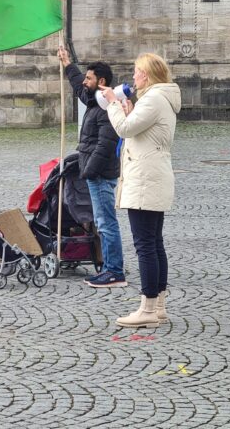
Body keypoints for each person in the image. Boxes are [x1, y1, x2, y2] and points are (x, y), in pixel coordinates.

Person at [102, 53, 181, 328]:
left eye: (136, 72)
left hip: (146, 179)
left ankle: (147, 308)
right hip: (153, 176)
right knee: (154, 242)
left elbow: (124, 130)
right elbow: (139, 129)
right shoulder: (160, 98)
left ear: (145, 75)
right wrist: (128, 111)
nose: (133, 77)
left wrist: (113, 104)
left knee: (145, 245)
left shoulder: (154, 98)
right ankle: (158, 304)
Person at [57, 47, 126, 288]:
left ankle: (114, 270)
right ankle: (109, 268)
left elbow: (106, 145)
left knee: (106, 222)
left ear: (102, 82)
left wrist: (88, 171)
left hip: (100, 175)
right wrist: (67, 64)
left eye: (89, 78)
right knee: (101, 221)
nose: (85, 82)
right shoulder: (93, 99)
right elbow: (79, 86)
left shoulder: (107, 107)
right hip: (95, 173)